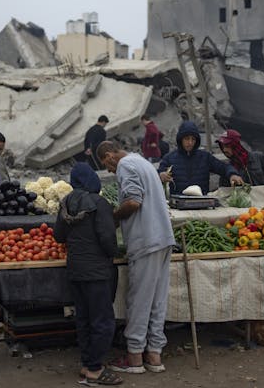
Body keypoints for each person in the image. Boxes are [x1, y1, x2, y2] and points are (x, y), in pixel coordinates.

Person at [96, 141, 175, 375]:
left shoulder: (125, 166)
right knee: (157, 301)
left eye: (106, 165)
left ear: (110, 156)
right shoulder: (144, 162)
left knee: (139, 301)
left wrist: (113, 217)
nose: (110, 170)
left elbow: (133, 201)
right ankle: (154, 355)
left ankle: (134, 358)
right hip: (163, 237)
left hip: (146, 240)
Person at [54, 163, 122, 386]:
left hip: (75, 271)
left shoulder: (65, 203)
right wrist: (114, 253)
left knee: (83, 319)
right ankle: (94, 369)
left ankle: (87, 363)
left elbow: (59, 236)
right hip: (97, 272)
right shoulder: (99, 203)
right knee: (103, 321)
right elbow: (107, 239)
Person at [158, 121, 243, 195]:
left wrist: (233, 174)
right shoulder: (169, 158)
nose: (190, 142)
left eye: (193, 139)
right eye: (187, 139)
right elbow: (158, 173)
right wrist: (161, 175)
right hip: (178, 203)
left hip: (201, 201)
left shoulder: (205, 157)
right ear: (181, 139)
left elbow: (223, 167)